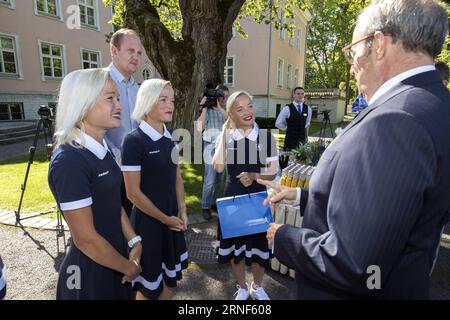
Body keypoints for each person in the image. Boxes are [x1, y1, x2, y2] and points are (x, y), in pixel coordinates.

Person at [258, 0, 450, 299]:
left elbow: (355, 263)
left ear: (379, 43)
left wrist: (283, 237)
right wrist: (302, 195)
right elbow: (384, 206)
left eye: (352, 49)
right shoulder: (434, 104)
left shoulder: (395, 120)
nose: (351, 63)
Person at [48, 69, 142, 299]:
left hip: (115, 261)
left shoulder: (103, 150)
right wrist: (128, 267)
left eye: (118, 98)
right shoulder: (69, 160)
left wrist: (134, 241)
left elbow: (112, 202)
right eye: (110, 98)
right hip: (89, 274)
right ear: (83, 103)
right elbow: (86, 240)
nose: (119, 105)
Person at [121, 79, 188, 300]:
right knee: (147, 288)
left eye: (172, 100)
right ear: (148, 103)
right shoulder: (133, 141)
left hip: (171, 222)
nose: (171, 105)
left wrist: (182, 209)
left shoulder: (170, 137)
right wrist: (165, 219)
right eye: (163, 100)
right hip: (148, 225)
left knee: (170, 281)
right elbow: (132, 194)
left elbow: (176, 176)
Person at [212, 91, 279, 300]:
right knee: (235, 249)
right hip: (234, 199)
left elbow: (273, 170)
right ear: (231, 114)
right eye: (240, 109)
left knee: (260, 248)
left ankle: (257, 286)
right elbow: (219, 167)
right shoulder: (227, 138)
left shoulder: (266, 137)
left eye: (249, 105)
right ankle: (241, 287)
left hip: (259, 198)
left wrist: (254, 174)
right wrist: (224, 134)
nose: (247, 112)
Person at [105, 28, 143, 164]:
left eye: (139, 53)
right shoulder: (100, 83)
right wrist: (116, 157)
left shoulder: (137, 89)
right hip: (112, 166)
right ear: (114, 51)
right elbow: (92, 128)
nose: (136, 57)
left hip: (138, 165)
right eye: (130, 51)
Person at [196, 84, 229, 220]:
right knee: (210, 178)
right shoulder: (207, 110)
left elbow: (231, 120)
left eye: (226, 97)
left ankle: (214, 202)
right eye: (221, 96)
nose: (223, 99)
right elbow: (199, 127)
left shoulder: (227, 109)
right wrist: (204, 108)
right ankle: (205, 206)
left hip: (224, 146)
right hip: (210, 145)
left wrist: (219, 108)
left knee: (220, 178)